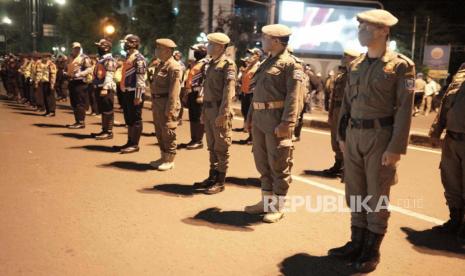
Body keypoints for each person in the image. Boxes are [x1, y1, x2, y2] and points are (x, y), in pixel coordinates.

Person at [328, 9, 415, 273]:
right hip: (353, 135)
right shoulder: (356, 65)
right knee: (354, 191)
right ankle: (356, 242)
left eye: (366, 27)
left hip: (381, 136)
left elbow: (404, 109)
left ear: (383, 31)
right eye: (360, 27)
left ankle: (371, 250)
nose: (360, 31)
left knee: (376, 194)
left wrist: (395, 148)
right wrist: (341, 136)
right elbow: (346, 105)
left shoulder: (401, 66)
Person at [243, 24, 303, 223]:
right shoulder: (267, 62)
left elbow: (294, 97)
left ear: (276, 41)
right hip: (260, 119)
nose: (262, 40)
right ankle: (266, 202)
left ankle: (278, 207)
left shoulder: (291, 64)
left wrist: (287, 122)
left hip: (276, 120)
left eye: (265, 38)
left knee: (278, 163)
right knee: (262, 163)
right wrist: (249, 117)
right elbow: (257, 93)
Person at [192, 32, 236, 195]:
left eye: (210, 44)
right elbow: (207, 90)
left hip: (219, 110)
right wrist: (204, 111)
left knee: (221, 147)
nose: (208, 46)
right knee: (211, 146)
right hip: (209, 109)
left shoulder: (227, 65)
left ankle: (220, 181)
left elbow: (228, 91)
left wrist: (223, 113)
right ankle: (212, 176)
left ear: (219, 46)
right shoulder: (211, 63)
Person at [429, 62, 465, 245]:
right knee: (451, 181)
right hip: (451, 140)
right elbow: (446, 104)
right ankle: (455, 220)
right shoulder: (461, 73)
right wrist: (436, 130)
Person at [321, 49, 360, 177]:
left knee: (346, 138)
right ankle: (338, 163)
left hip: (349, 111)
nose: (343, 58)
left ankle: (346, 167)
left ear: (353, 58)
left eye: (346, 56)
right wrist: (330, 114)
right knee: (335, 138)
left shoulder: (357, 75)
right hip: (338, 109)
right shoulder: (341, 76)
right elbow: (333, 97)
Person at [149, 38, 182, 171]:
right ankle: (163, 156)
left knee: (168, 132)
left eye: (160, 49)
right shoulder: (160, 64)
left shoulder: (174, 67)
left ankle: (170, 159)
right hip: (158, 102)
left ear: (168, 51)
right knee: (159, 132)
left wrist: (171, 108)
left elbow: (174, 90)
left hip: (167, 103)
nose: (157, 51)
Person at [114, 34, 147, 154]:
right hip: (127, 91)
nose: (125, 44)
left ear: (134, 43)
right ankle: (129, 141)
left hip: (135, 92)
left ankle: (134, 144)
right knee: (129, 118)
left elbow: (140, 79)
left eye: (127, 42)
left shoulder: (139, 59)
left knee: (136, 119)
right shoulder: (129, 57)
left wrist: (138, 96)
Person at [180, 43, 209, 150]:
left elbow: (206, 81)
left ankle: (199, 141)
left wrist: (202, 95)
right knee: (192, 117)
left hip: (199, 94)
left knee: (198, 118)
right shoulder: (196, 63)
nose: (195, 53)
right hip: (192, 93)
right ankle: (193, 139)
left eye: (197, 51)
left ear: (202, 52)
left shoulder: (205, 64)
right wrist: (186, 95)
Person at [91, 38, 117, 140]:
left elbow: (109, 75)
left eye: (100, 46)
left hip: (106, 88)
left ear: (106, 48)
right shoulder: (102, 59)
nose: (98, 48)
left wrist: (105, 88)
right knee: (103, 110)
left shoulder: (109, 60)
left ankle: (109, 132)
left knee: (108, 110)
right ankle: (104, 130)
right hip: (100, 87)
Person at [66, 42, 93, 129]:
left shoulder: (84, 57)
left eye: (78, 48)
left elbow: (90, 69)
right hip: (72, 81)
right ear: (72, 48)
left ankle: (81, 122)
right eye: (75, 48)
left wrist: (80, 74)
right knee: (74, 103)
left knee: (80, 103)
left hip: (80, 82)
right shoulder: (70, 57)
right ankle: (77, 121)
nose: (77, 49)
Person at [239, 48, 262, 145]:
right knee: (246, 114)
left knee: (252, 116)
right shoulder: (249, 67)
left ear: (258, 56)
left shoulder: (259, 67)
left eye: (252, 54)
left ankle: (253, 138)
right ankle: (250, 136)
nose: (250, 57)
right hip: (245, 93)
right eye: (250, 54)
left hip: (252, 94)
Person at [34, 53, 57, 117]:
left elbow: (53, 75)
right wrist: (37, 82)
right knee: (45, 97)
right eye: (43, 57)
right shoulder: (40, 64)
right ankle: (48, 111)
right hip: (43, 82)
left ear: (49, 58)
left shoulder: (51, 65)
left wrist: (52, 84)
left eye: (46, 57)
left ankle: (52, 111)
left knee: (50, 98)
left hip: (49, 82)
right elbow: (37, 73)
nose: (44, 58)